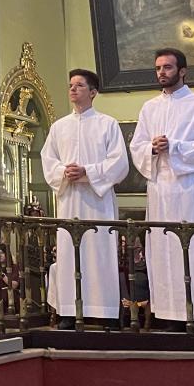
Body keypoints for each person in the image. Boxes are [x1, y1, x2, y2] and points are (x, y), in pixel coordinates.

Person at [129, 48, 194, 330]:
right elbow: (137, 146)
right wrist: (151, 148)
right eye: (158, 68)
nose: (162, 72)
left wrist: (175, 146)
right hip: (161, 189)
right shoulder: (149, 108)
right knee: (164, 252)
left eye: (168, 67)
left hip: (191, 188)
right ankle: (169, 314)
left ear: (182, 71)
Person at [41, 68, 128, 329]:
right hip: (69, 201)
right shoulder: (59, 127)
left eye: (79, 85)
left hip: (98, 202)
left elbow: (119, 163)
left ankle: (106, 313)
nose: (73, 89)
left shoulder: (107, 124)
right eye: (70, 85)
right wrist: (64, 172)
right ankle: (69, 311)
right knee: (70, 254)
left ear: (93, 92)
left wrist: (88, 172)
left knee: (100, 254)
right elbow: (48, 160)